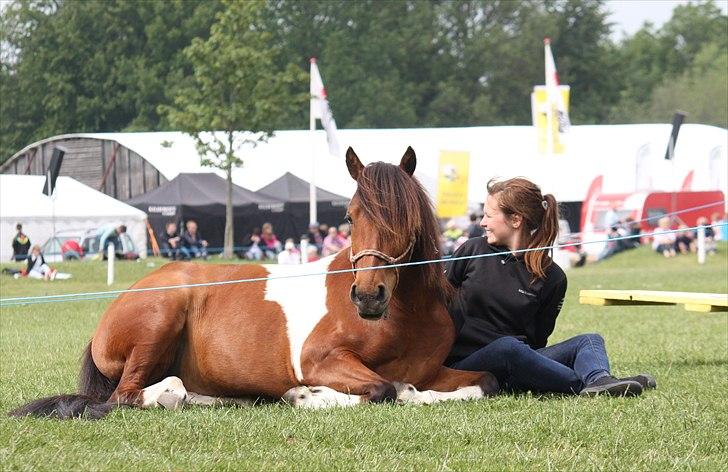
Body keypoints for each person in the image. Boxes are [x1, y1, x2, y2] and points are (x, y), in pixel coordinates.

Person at [444, 177, 655, 397]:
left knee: (589, 340)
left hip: (521, 360)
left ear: (515, 220)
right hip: (467, 364)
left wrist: (531, 366)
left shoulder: (553, 276)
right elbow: (437, 302)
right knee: (507, 348)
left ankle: (600, 380)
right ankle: (587, 386)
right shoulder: (473, 250)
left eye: (489, 215)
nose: (482, 223)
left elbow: (538, 340)